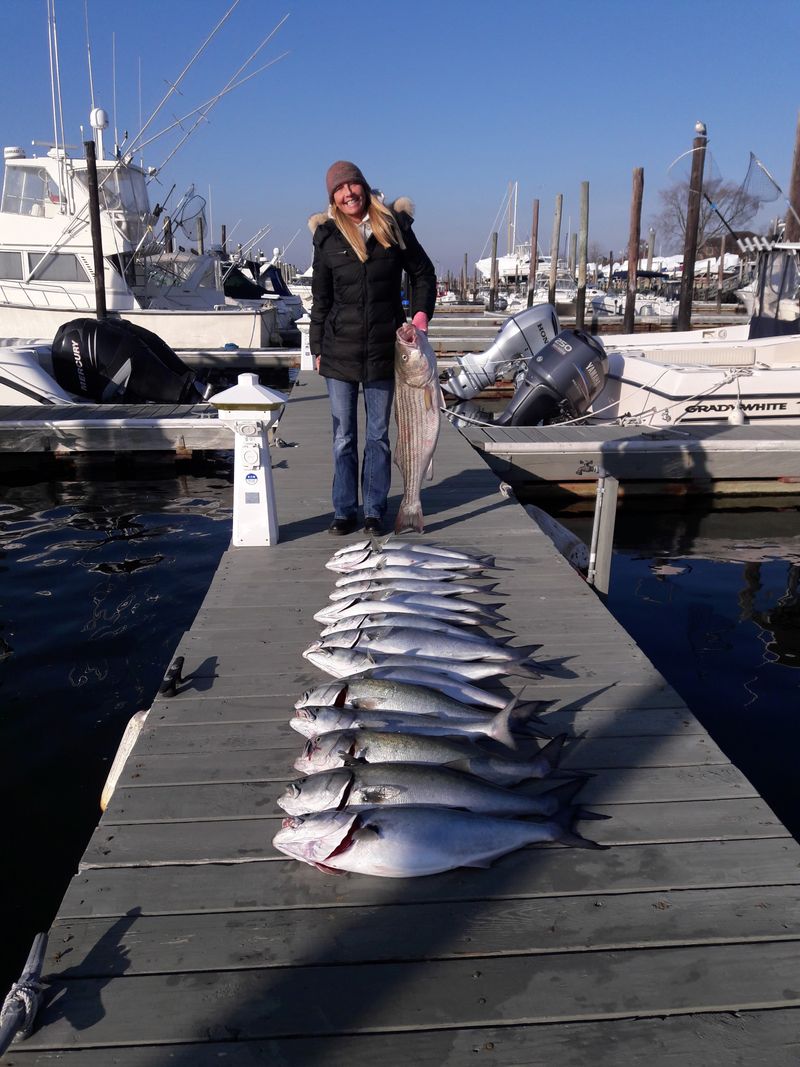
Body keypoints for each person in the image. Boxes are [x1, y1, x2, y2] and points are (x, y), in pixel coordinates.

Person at [308, 160, 436, 535]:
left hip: (385, 350)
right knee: (343, 436)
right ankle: (345, 510)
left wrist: (419, 319)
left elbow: (423, 273)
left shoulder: (393, 227)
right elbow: (321, 300)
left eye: (352, 185)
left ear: (363, 186)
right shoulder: (328, 238)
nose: (348, 194)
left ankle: (375, 510)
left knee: (378, 435)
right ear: (332, 198)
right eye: (339, 189)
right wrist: (317, 347)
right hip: (338, 351)